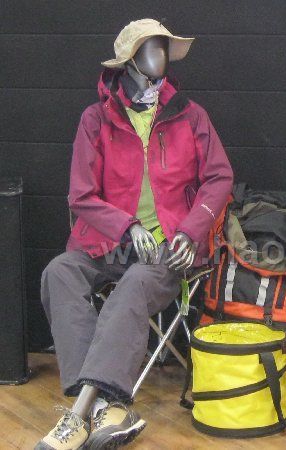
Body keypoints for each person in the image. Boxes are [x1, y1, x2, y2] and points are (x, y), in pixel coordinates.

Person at [36, 19, 233, 450]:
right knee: (59, 273)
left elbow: (219, 178)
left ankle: (77, 416)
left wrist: (190, 231)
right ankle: (109, 407)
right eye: (150, 50)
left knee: (136, 283)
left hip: (170, 247)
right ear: (129, 62)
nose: (160, 58)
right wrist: (126, 226)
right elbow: (81, 195)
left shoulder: (190, 114)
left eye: (163, 49)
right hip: (108, 243)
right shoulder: (96, 119)